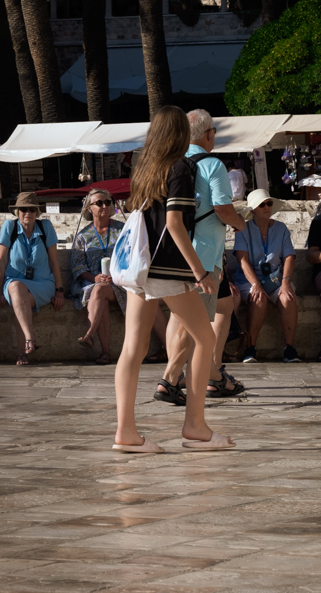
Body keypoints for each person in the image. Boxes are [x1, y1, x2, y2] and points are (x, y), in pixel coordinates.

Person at [113, 105, 229, 452]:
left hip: (141, 269)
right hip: (166, 270)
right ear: (179, 132)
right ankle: (195, 426)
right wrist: (201, 272)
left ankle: (126, 432)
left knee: (132, 349)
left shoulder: (144, 166)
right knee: (205, 338)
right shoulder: (180, 167)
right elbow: (175, 224)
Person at [162, 110, 246, 400]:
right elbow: (223, 208)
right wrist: (239, 223)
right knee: (194, 320)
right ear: (209, 134)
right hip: (205, 256)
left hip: (180, 250)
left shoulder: (175, 163)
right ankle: (170, 379)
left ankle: (213, 373)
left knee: (213, 308)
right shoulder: (213, 164)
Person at [0, 193, 65, 365]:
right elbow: (1, 260)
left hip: (42, 283)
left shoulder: (45, 227)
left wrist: (60, 291)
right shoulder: (9, 227)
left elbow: (54, 261)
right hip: (13, 282)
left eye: (32, 209)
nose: (28, 212)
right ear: (17, 212)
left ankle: (22, 352)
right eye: (24, 209)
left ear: (37, 212)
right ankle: (30, 339)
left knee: (20, 301)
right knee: (17, 288)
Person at [233, 188, 300, 363]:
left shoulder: (281, 228)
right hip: (249, 280)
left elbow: (289, 257)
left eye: (269, 203)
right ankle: (251, 347)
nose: (266, 207)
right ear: (253, 209)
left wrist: (286, 282)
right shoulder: (243, 229)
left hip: (275, 279)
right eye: (262, 204)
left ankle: (289, 348)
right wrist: (255, 284)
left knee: (288, 297)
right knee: (259, 297)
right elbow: (242, 260)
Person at [69, 189, 128, 364]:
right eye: (99, 203)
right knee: (100, 292)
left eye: (108, 202)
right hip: (92, 283)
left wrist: (117, 275)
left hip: (119, 282)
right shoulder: (83, 236)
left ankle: (90, 334)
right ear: (89, 208)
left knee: (100, 291)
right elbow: (77, 266)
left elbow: (131, 256)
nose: (105, 206)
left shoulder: (121, 230)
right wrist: (95, 278)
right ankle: (105, 353)